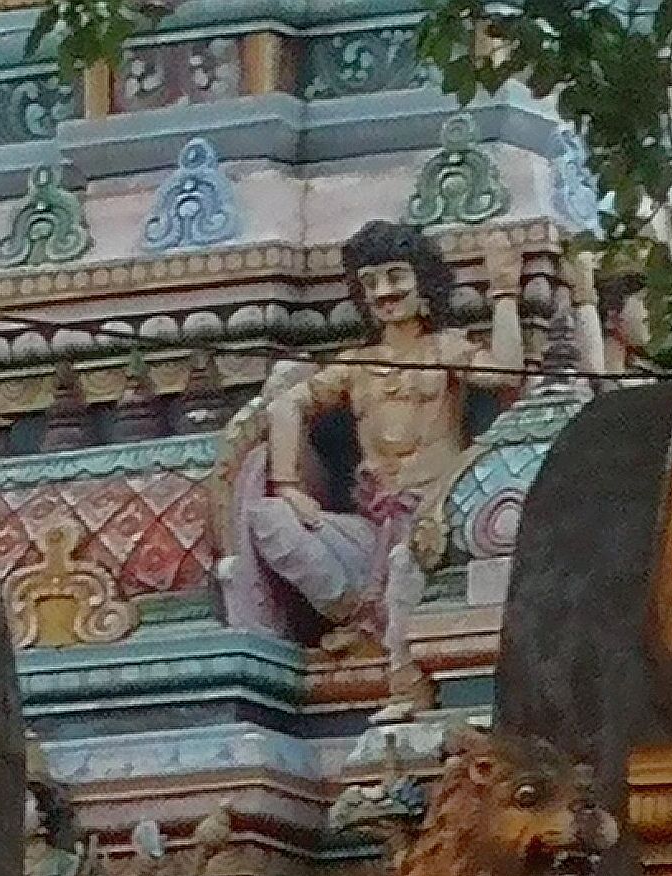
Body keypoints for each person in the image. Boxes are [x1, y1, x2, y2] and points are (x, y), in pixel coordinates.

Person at [221, 220, 519, 715]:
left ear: (423, 282)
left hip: (439, 517)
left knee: (405, 563)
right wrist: (291, 486)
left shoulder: (444, 350)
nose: (385, 291)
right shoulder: (357, 365)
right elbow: (285, 405)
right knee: (268, 517)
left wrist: (505, 292)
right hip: (373, 527)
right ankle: (362, 615)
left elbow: (509, 376)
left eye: (396, 276)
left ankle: (407, 688)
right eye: (372, 282)